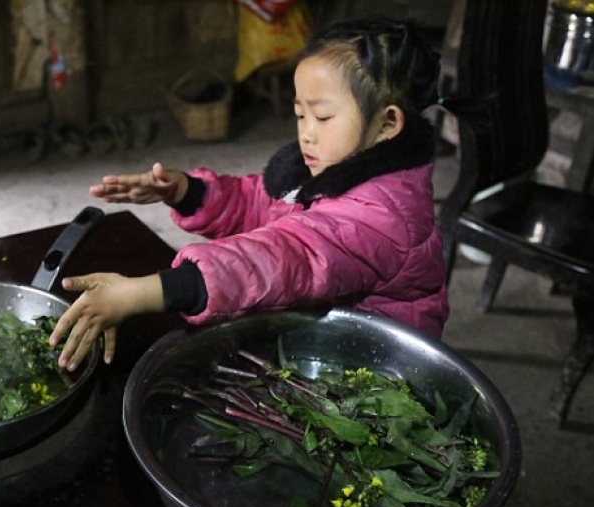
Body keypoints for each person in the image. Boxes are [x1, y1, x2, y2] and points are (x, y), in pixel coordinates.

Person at [49, 18, 452, 371]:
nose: (306, 132)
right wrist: (187, 191)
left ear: (387, 124)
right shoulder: (332, 168)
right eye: (299, 114)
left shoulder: (383, 218)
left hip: (370, 367)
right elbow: (261, 204)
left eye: (323, 117)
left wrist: (148, 291)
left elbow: (284, 257)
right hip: (322, 336)